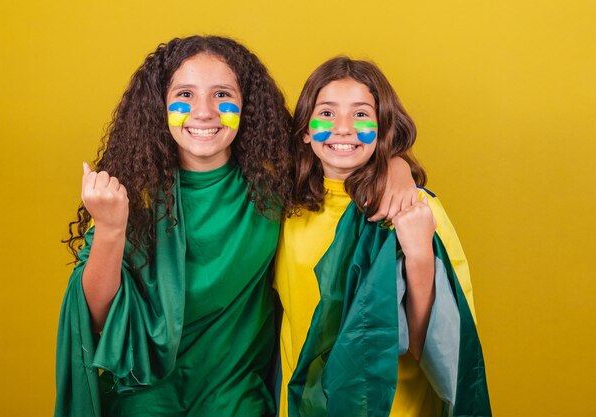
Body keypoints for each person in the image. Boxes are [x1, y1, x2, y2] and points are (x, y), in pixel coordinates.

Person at [55, 37, 416, 417]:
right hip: (143, 398)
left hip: (237, 399)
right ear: (159, 106)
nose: (205, 112)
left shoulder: (278, 186)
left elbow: (340, 155)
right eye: (186, 95)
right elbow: (93, 318)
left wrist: (396, 167)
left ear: (246, 105)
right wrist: (111, 229)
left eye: (222, 94)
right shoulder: (134, 195)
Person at [274, 57, 491, 417]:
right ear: (305, 131)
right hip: (306, 405)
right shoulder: (283, 209)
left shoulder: (414, 208)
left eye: (361, 114)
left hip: (393, 407)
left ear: (383, 127)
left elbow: (432, 346)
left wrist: (419, 252)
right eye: (326, 113)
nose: (343, 127)